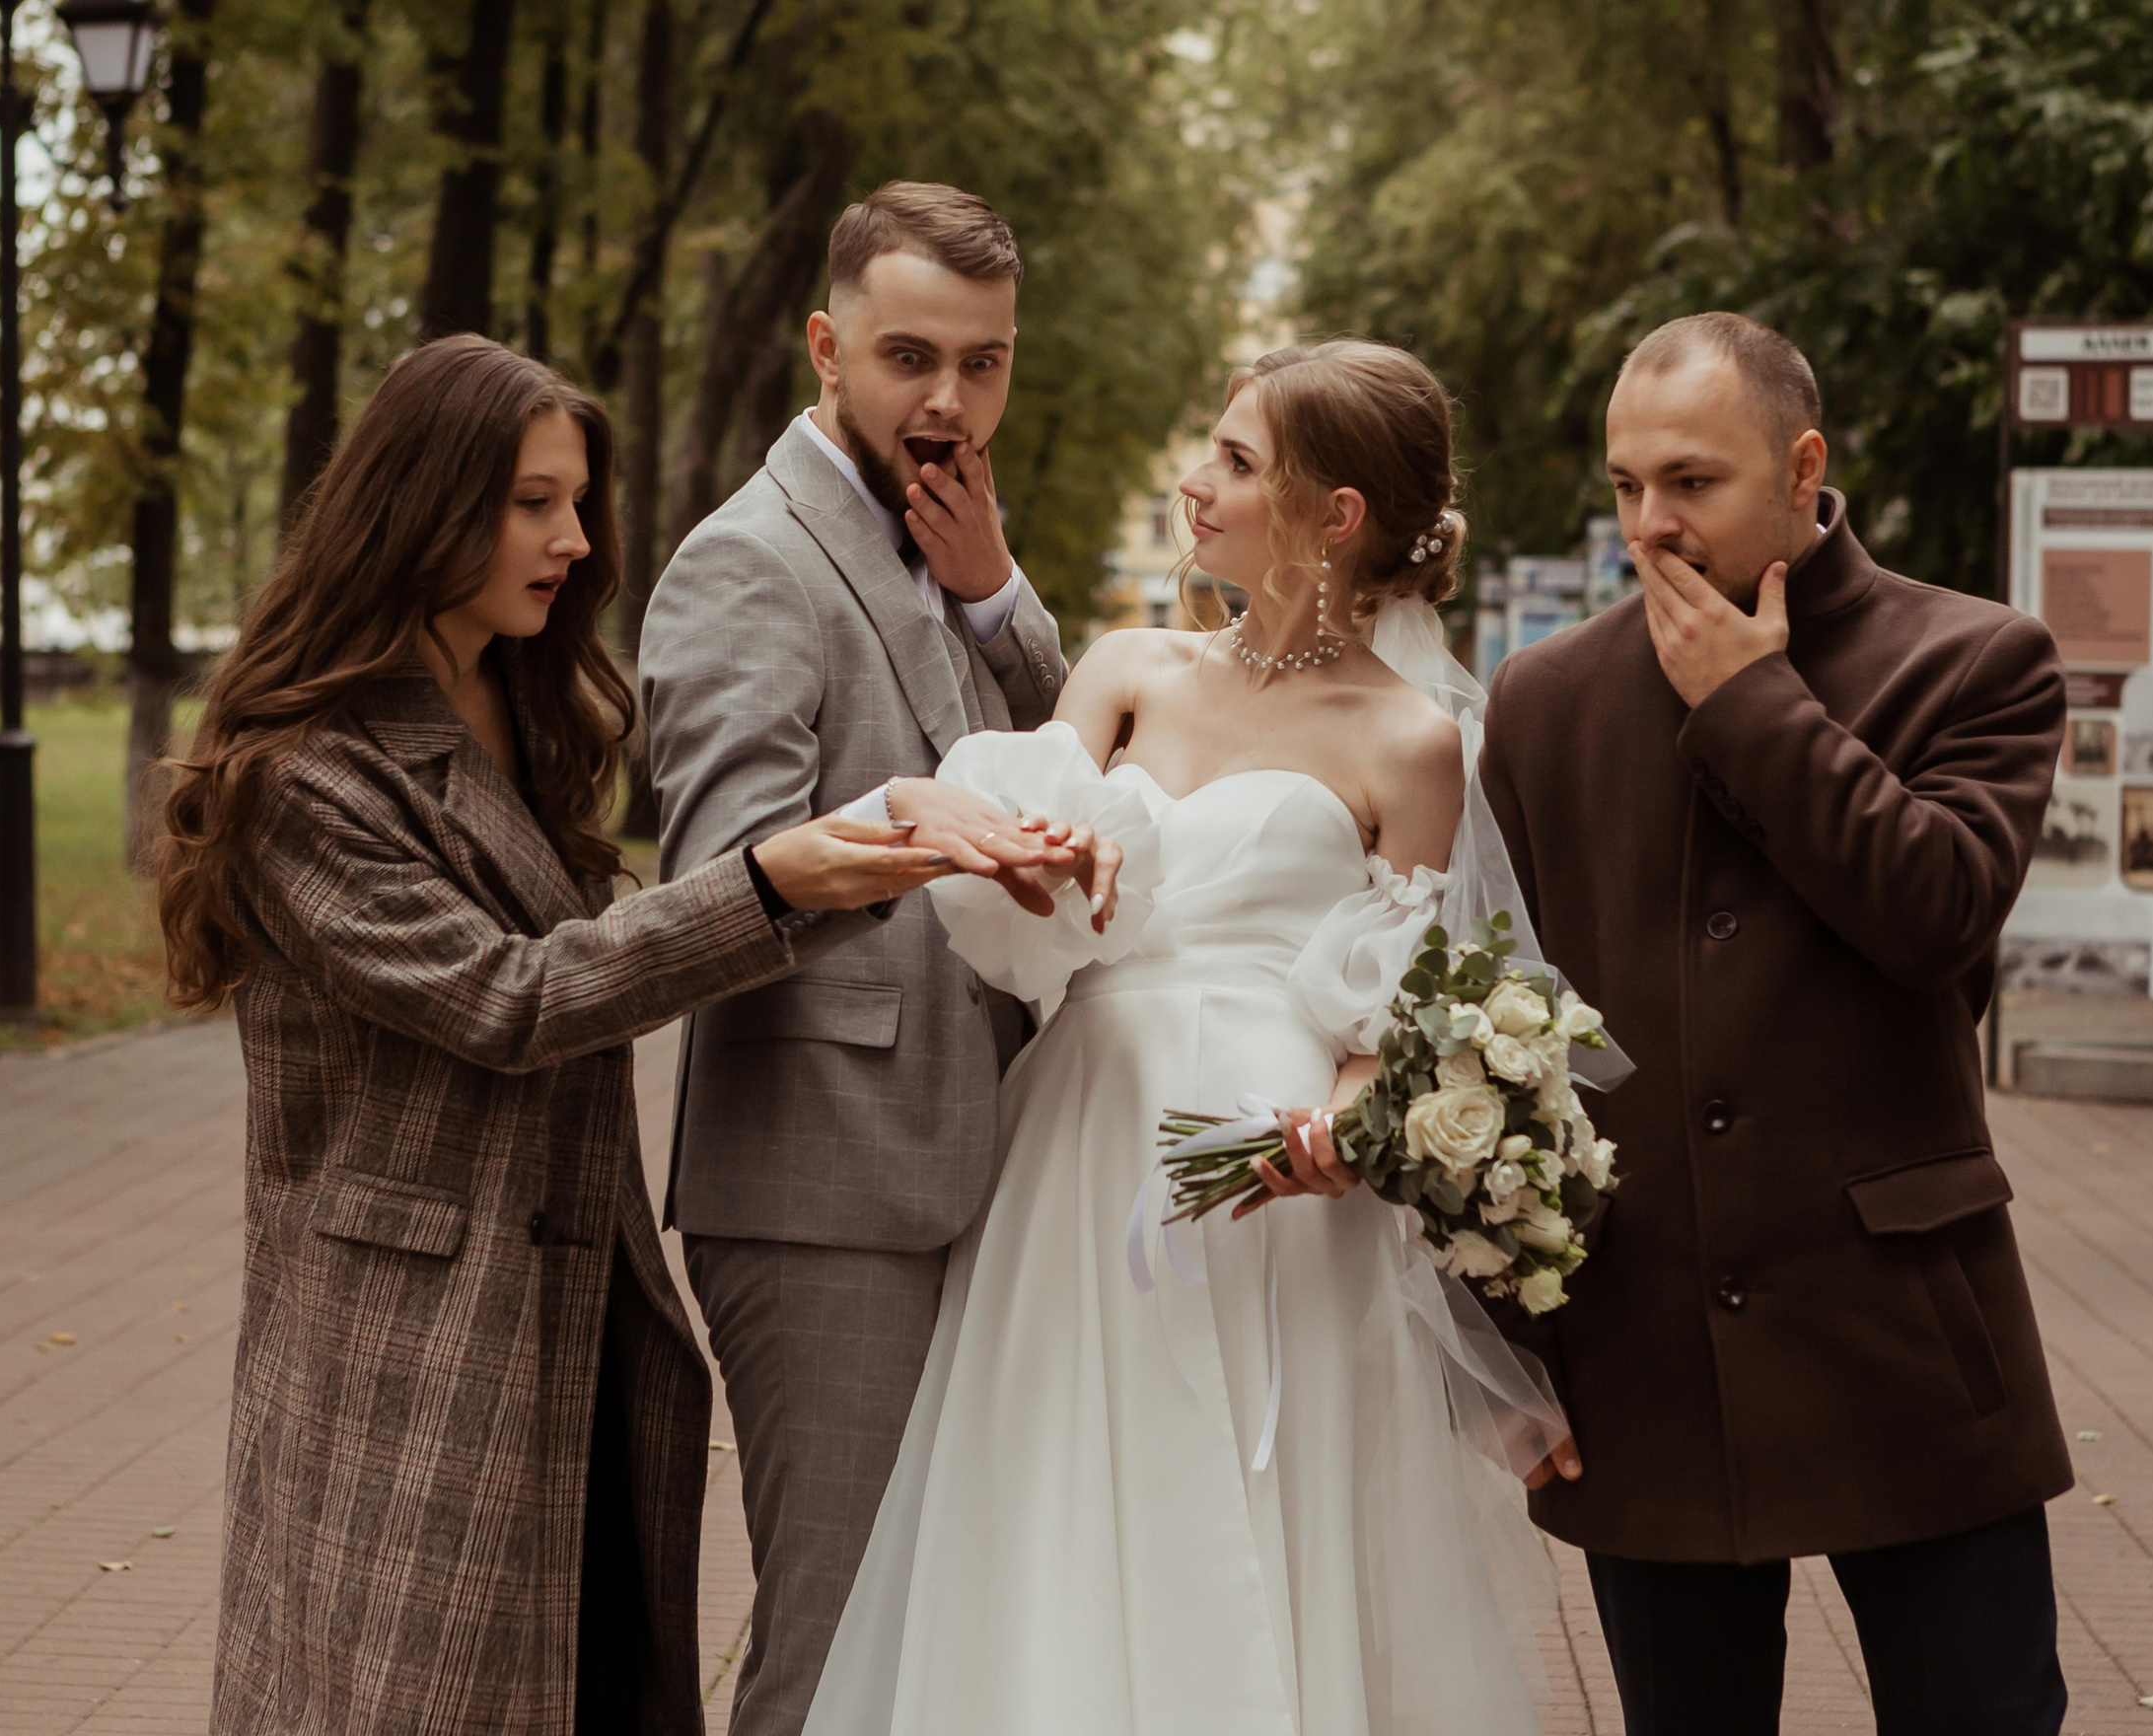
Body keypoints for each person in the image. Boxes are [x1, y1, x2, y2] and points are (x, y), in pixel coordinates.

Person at [157, 333, 1072, 1734]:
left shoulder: (528, 708)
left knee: (577, 1684)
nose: (575, 541)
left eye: (575, 502)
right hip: (409, 1333)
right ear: (421, 503)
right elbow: (508, 999)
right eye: (533, 502)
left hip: (576, 1294)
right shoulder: (306, 775)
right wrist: (790, 874)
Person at [801, 338, 1571, 1735]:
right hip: (1086, 1149)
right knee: (1063, 1491)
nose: (1194, 484)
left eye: (1234, 461)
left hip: (1268, 1194)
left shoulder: (1411, 742)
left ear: (1333, 515)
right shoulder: (1129, 669)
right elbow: (1010, 880)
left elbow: (1386, 1004)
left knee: (1266, 1516)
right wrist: (993, 846)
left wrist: (1341, 1129)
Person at [1480, 312, 2075, 1735]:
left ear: (1804, 470)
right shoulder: (1547, 699)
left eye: (1692, 482)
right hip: (1646, 1347)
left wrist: (1751, 701)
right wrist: (1510, 1349)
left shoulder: (1977, 660)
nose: (1652, 525)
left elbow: (1934, 914)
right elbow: (1512, 1033)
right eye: (1627, 487)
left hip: (1905, 1336)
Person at [637, 181, 1091, 1736]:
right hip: (827, 1191)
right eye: (911, 358)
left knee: (952, 1626)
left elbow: (1060, 757)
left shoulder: (948, 541)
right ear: (828, 348)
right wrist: (921, 831)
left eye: (985, 363)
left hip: (992, 1170)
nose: (950, 403)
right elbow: (717, 888)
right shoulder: (746, 564)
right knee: (838, 1643)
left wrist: (997, 595)